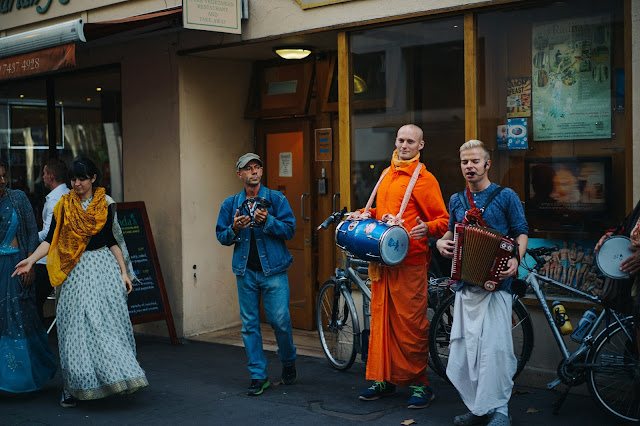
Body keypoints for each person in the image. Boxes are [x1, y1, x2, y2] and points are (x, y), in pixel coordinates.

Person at [13, 156, 148, 407]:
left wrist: (123, 272)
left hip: (102, 270)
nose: (77, 184)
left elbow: (112, 241)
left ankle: (115, 378)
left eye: (82, 179)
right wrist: (31, 260)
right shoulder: (63, 206)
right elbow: (50, 239)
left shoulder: (105, 204)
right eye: (74, 179)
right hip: (73, 272)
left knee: (105, 327)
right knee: (72, 329)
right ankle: (72, 387)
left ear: (93, 178)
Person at [352, 124, 449, 409]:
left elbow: (443, 221)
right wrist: (364, 213)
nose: (404, 145)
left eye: (410, 141)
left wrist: (426, 228)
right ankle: (384, 379)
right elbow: (380, 211)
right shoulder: (386, 173)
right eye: (400, 140)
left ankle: (422, 384)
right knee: (382, 323)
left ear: (421, 146)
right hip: (384, 262)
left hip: (411, 263)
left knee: (410, 325)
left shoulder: (425, 179)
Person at [436, 140, 528, 426]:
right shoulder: (456, 200)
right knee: (468, 351)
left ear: (487, 164)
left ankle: (500, 410)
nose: (470, 166)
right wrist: (441, 242)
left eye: (475, 161)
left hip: (497, 287)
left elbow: (521, 232)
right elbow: (452, 233)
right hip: (466, 287)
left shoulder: (506, 196)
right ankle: (477, 407)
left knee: (496, 351)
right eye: (465, 162)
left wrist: (515, 259)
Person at [216, 153, 297, 397]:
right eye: (248, 169)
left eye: (257, 168)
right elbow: (221, 236)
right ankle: (258, 375)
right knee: (250, 324)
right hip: (245, 271)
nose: (254, 172)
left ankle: (288, 360)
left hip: (274, 270)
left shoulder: (276, 198)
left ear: (261, 172)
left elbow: (290, 230)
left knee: (280, 320)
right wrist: (234, 228)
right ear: (239, 174)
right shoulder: (230, 204)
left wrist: (269, 221)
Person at [0, 160, 57, 393]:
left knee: (19, 319)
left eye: (4, 175)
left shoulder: (18, 198)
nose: (3, 181)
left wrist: (31, 263)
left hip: (16, 265)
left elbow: (33, 232)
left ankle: (23, 379)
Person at [34, 158, 70, 324]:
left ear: (51, 176)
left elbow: (50, 234)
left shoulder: (56, 200)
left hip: (51, 261)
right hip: (63, 258)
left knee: (33, 301)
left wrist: (28, 237)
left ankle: (38, 339)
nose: (42, 177)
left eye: (44, 173)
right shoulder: (66, 194)